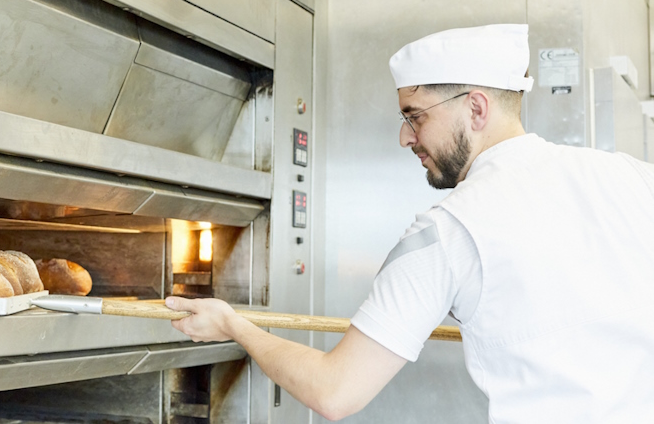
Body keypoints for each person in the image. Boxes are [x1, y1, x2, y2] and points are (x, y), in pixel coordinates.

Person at [165, 24, 654, 423]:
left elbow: (335, 391)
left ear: (476, 108)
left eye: (414, 116)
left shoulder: (453, 229)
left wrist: (233, 324)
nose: (405, 137)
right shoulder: (633, 177)